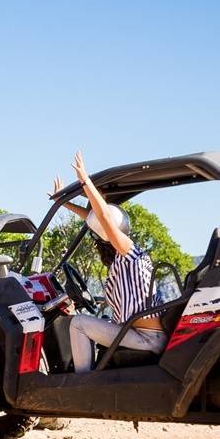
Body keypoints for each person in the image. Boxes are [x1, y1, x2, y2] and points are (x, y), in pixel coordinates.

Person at [52, 151, 166, 373]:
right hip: (140, 333)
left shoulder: (128, 251)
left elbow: (103, 218)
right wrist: (62, 203)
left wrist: (85, 180)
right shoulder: (127, 258)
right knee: (101, 319)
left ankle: (83, 383)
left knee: (79, 324)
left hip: (146, 338)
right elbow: (95, 219)